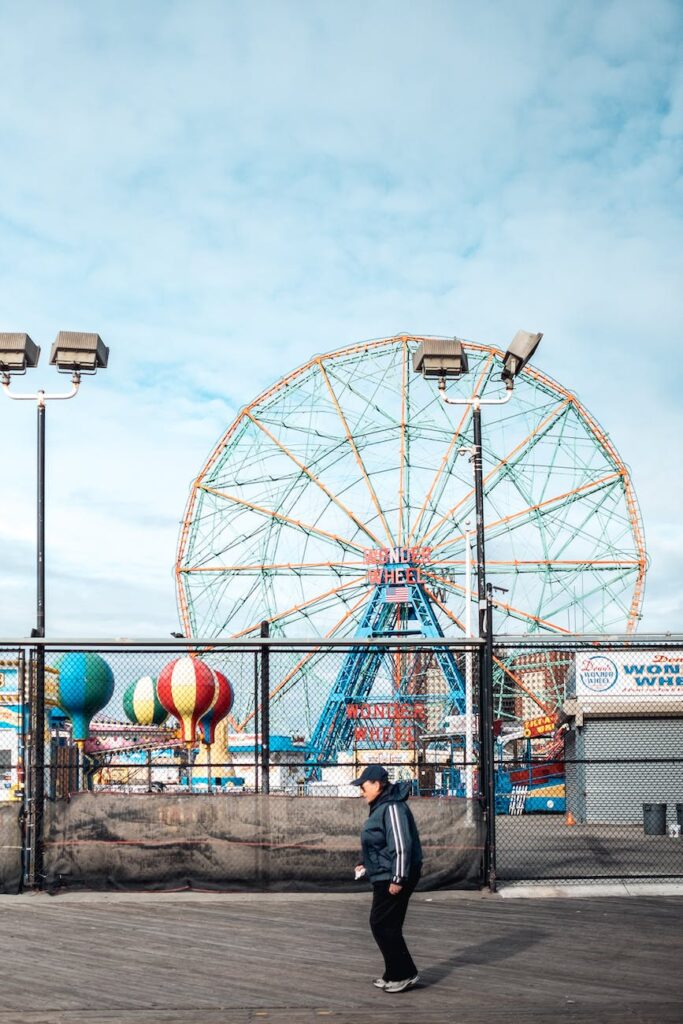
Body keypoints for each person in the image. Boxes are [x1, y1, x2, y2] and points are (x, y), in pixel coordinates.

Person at [353, 763, 422, 993]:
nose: (361, 792)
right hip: (384, 872)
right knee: (388, 925)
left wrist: (398, 878)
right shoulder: (381, 805)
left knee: (381, 924)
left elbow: (401, 844)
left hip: (393, 875)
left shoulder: (392, 806)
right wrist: (365, 863)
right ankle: (395, 973)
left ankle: (404, 973)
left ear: (376, 784)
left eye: (363, 787)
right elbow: (378, 842)